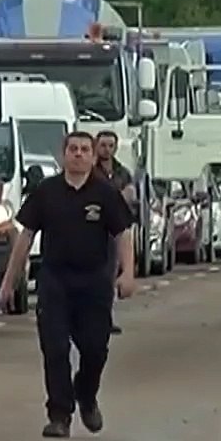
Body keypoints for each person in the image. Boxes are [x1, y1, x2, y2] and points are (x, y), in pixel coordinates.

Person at [0, 131, 136, 439]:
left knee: (95, 348)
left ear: (92, 155)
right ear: (63, 155)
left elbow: (123, 233)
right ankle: (59, 414)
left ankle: (86, 396)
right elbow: (25, 236)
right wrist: (9, 282)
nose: (78, 154)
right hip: (55, 281)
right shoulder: (47, 192)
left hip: (94, 282)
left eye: (84, 149)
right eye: (72, 149)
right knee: (55, 348)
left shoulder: (105, 193)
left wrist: (127, 273)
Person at [94, 130, 135, 336]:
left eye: (111, 145)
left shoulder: (122, 173)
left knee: (109, 275)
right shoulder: (92, 171)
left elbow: (130, 195)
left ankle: (105, 318)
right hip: (93, 230)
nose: (107, 149)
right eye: (103, 145)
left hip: (115, 230)